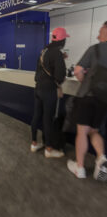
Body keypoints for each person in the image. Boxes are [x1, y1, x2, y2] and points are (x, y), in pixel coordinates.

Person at [67, 21, 107, 180]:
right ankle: (101, 157)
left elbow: (77, 71)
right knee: (94, 131)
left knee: (82, 132)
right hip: (103, 100)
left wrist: (85, 80)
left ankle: (80, 168)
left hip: (87, 97)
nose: (98, 32)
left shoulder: (95, 49)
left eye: (101, 29)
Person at [31, 27, 69, 158]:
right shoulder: (57, 53)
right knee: (48, 119)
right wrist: (61, 60)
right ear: (62, 40)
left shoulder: (44, 50)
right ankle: (48, 149)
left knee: (37, 116)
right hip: (49, 91)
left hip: (38, 88)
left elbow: (39, 71)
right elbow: (60, 76)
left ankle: (34, 143)